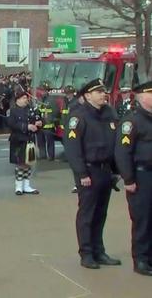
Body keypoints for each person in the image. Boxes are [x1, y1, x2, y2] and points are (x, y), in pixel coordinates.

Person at [63, 78, 122, 270]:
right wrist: (81, 173)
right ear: (88, 95)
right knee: (87, 214)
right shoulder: (78, 116)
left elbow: (116, 143)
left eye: (104, 91)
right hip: (89, 171)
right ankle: (86, 253)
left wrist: (117, 170)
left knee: (100, 213)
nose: (103, 95)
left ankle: (99, 251)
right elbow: (73, 149)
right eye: (99, 92)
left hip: (106, 171)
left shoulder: (109, 113)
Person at [114, 81, 152, 276]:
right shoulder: (132, 122)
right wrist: (128, 179)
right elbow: (122, 153)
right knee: (142, 219)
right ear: (141, 97)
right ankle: (141, 260)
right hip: (141, 175)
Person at [7, 91, 41, 195]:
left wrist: (39, 123)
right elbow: (11, 124)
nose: (26, 100)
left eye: (26, 98)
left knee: (28, 163)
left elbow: (38, 119)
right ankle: (18, 186)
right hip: (18, 140)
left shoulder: (31, 110)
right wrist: (26, 126)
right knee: (20, 163)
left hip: (29, 139)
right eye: (23, 98)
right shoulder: (12, 111)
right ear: (17, 100)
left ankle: (27, 186)